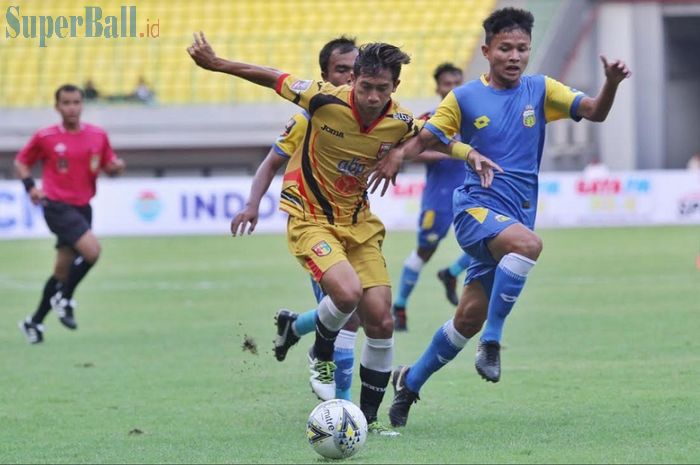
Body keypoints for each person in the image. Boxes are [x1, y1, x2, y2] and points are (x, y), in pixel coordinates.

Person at [188, 32, 475, 434]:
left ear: (395, 87)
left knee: (381, 320)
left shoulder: (401, 121)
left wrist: (466, 155)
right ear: (351, 79)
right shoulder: (320, 99)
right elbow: (271, 76)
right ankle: (320, 352)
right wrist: (218, 64)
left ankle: (367, 420)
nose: (373, 96)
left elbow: (437, 140)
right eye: (365, 86)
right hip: (311, 218)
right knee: (347, 294)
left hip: (359, 226)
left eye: (382, 89)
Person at [367, 7, 631, 427]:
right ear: (487, 50)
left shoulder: (542, 90)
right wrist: (398, 155)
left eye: (522, 48)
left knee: (465, 319)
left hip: (514, 218)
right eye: (505, 48)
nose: (514, 56)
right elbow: (427, 137)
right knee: (529, 247)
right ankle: (492, 343)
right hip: (475, 210)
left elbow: (596, 111)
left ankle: (409, 383)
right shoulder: (465, 97)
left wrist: (611, 84)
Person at [229, 36, 362, 401]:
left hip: (353, 223)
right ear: (323, 76)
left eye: (355, 72)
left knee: (348, 308)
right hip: (312, 223)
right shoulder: (309, 117)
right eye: (341, 71)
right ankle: (344, 409)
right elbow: (271, 161)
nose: (349, 79)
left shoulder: (365, 117)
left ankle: (295, 325)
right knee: (349, 312)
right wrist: (252, 204)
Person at [16, 84, 126, 344]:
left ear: (82, 105)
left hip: (82, 207)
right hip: (56, 205)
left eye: (76, 102)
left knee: (61, 271)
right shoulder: (45, 137)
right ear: (57, 107)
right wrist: (31, 187)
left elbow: (110, 166)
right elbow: (22, 162)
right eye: (66, 103)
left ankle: (34, 322)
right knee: (92, 251)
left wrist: (117, 167)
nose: (72, 108)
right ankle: (64, 298)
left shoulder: (98, 135)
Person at [392, 62, 472, 331]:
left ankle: (451, 273)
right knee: (425, 250)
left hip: (471, 193)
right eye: (447, 84)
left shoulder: (474, 117)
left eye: (457, 83)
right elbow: (408, 151)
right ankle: (400, 305)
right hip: (438, 198)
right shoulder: (430, 119)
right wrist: (450, 151)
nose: (452, 88)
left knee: (492, 240)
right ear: (438, 88)